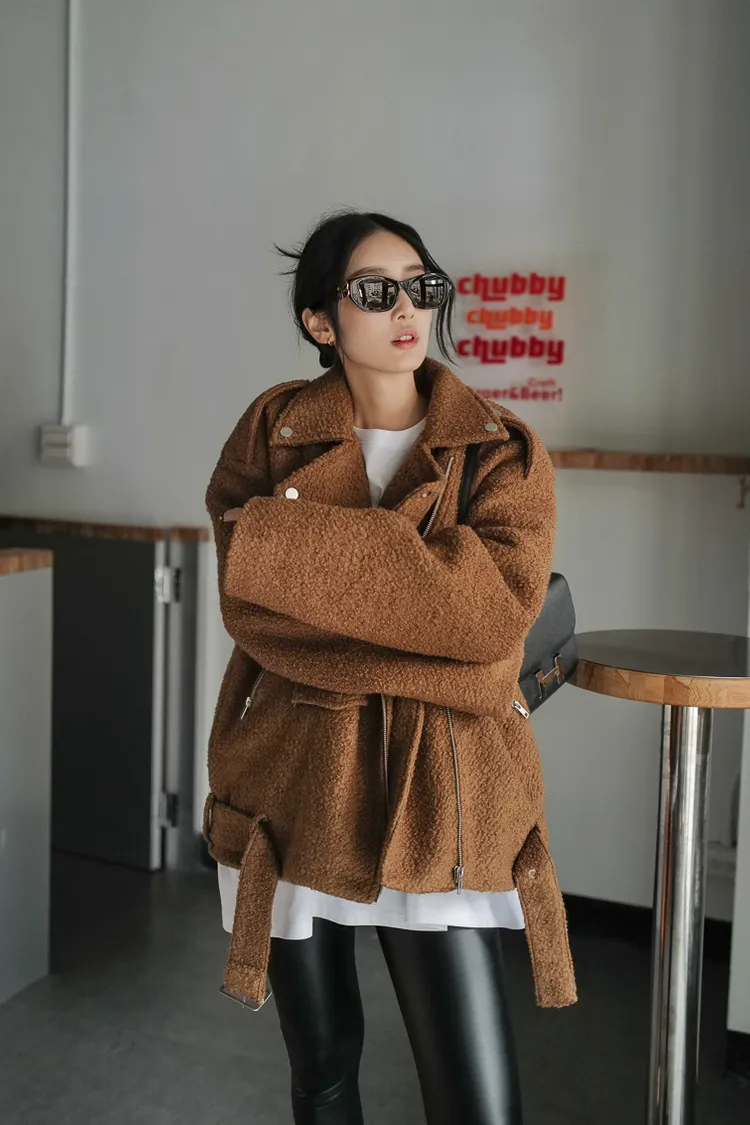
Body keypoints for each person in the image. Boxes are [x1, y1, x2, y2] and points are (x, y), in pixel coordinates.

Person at [203, 210, 577, 1125]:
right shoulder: (274, 430)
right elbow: (254, 612)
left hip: (444, 795)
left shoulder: (500, 448)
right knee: (323, 1072)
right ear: (320, 320)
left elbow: (491, 620)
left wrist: (295, 552)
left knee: (478, 1103)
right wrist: (438, 636)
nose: (407, 307)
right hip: (295, 783)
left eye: (421, 285)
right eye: (375, 290)